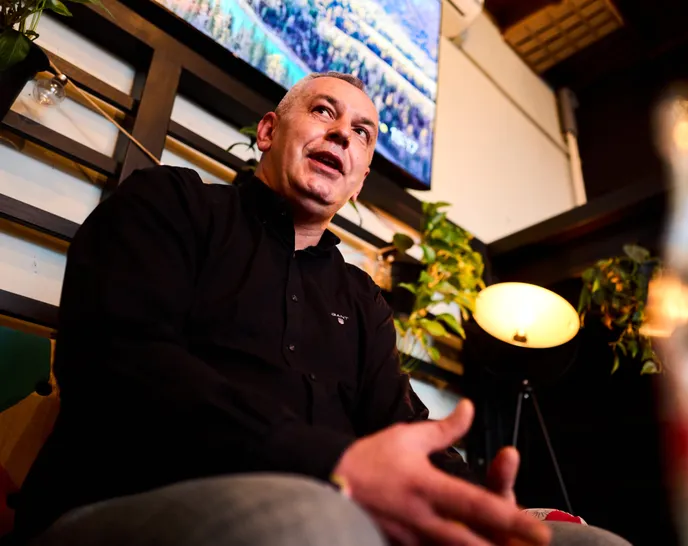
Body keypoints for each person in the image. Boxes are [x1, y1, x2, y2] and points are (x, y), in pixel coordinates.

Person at [12, 72, 629, 546]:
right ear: (268, 132)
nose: (342, 134)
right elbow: (118, 364)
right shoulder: (171, 206)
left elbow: (400, 428)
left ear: (357, 180)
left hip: (334, 515)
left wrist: (492, 509)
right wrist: (332, 465)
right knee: (319, 523)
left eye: (362, 132)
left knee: (589, 544)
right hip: (121, 503)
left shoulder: (361, 300)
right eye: (324, 112)